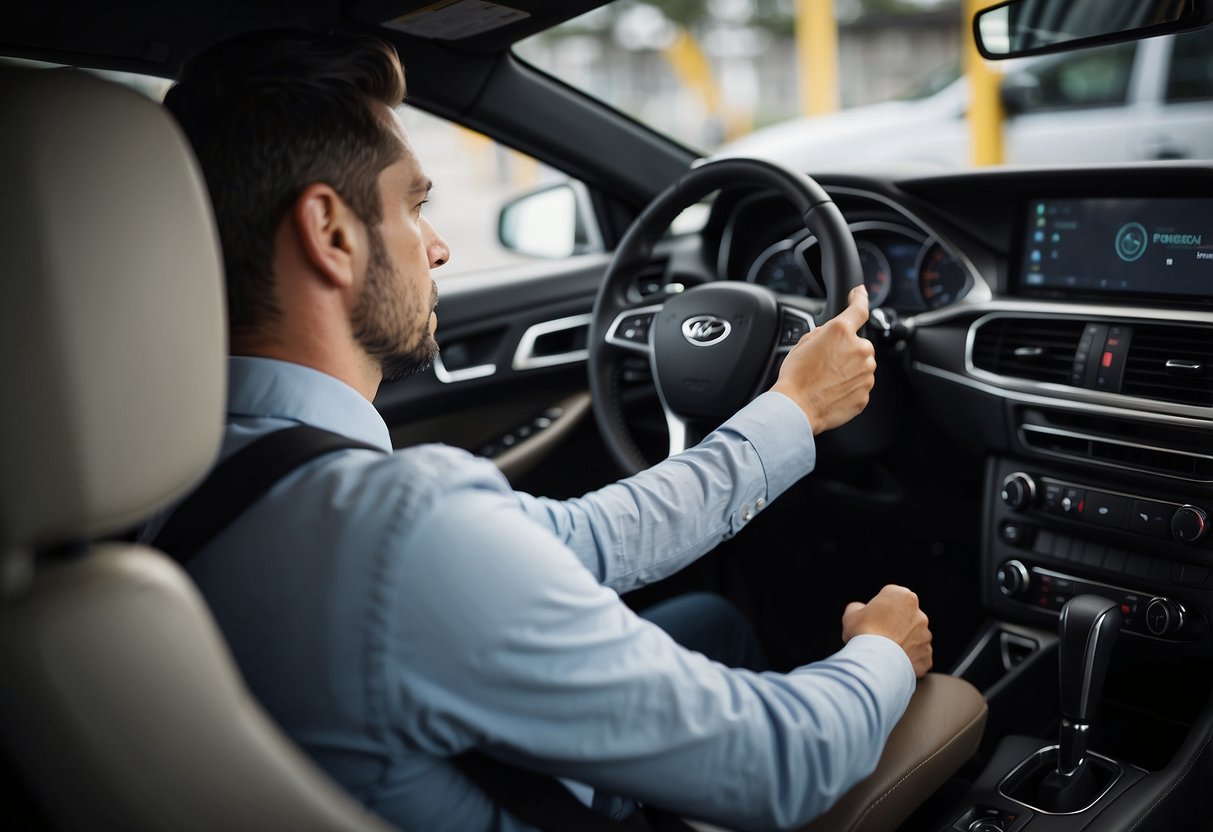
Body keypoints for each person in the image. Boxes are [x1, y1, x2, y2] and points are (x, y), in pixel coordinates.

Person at [161, 28, 932, 832]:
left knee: (712, 623)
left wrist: (792, 411)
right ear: (331, 234)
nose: (439, 248)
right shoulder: (396, 529)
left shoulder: (176, 471)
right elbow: (783, 762)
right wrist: (877, 650)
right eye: (413, 206)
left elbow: (582, 536)